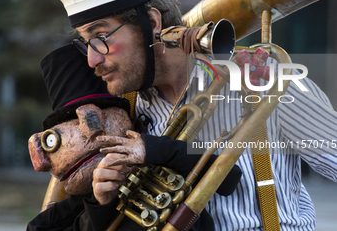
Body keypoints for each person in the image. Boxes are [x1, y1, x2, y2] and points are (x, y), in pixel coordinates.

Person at [47, 0, 337, 230]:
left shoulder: (266, 81)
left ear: (151, 23)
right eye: (85, 43)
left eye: (100, 37)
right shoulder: (123, 110)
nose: (91, 59)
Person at [27, 44, 241, 231]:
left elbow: (228, 176)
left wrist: (153, 149)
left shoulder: (157, 149)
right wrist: (100, 205)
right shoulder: (83, 199)